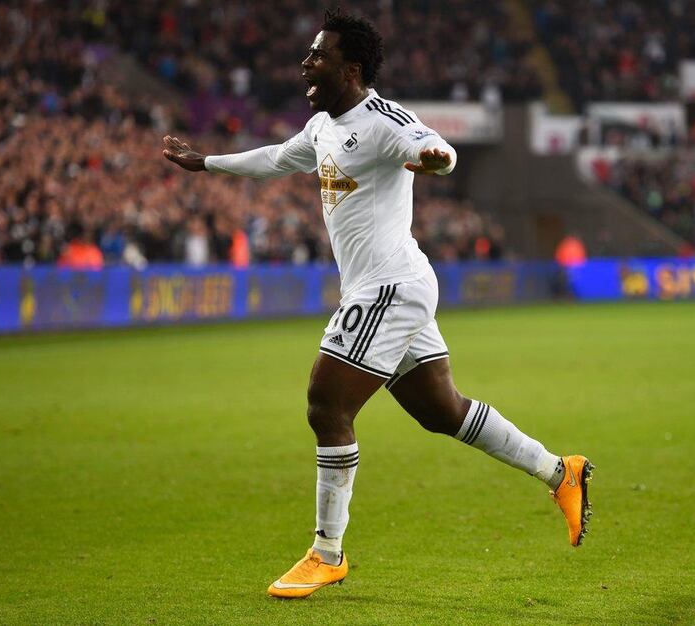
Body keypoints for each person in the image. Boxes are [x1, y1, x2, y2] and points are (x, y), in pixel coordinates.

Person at [163, 9, 593, 599]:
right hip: (392, 285)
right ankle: (559, 470)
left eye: (318, 55)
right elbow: (273, 159)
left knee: (325, 403)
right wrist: (203, 163)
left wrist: (439, 159)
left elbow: (432, 145)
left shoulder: (383, 119)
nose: (306, 63)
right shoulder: (321, 128)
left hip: (389, 287)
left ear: (351, 67)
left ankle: (326, 552)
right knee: (442, 412)